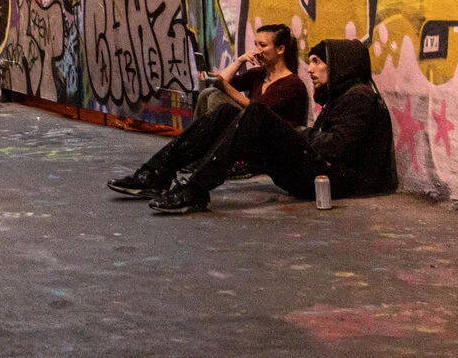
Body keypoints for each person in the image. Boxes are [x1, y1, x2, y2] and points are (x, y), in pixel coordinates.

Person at [146, 37, 397, 215]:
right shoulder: (344, 96)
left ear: (341, 65)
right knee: (225, 112)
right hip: (325, 175)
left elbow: (334, 146)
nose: (310, 70)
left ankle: (195, 189)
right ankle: (156, 172)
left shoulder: (359, 98)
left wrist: (295, 133)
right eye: (309, 62)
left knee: (256, 112)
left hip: (336, 183)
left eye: (317, 61)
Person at [108, 24, 307, 201]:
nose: (257, 51)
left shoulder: (291, 84)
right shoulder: (261, 75)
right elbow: (223, 81)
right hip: (253, 140)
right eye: (255, 45)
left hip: (270, 147)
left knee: (218, 98)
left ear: (280, 49)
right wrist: (238, 61)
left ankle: (200, 171)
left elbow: (257, 112)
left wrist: (224, 87)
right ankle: (156, 173)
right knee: (209, 92)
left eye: (263, 46)